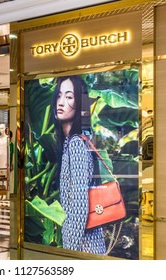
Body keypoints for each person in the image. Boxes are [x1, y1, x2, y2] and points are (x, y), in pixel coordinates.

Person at [51, 75, 106, 254]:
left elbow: (81, 203)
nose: (61, 102)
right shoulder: (71, 142)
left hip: (83, 244)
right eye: (59, 96)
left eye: (69, 97)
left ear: (79, 102)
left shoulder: (76, 143)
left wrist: (71, 250)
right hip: (84, 242)